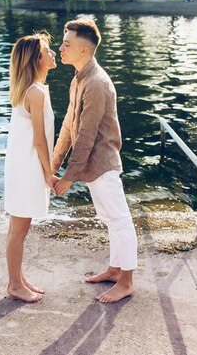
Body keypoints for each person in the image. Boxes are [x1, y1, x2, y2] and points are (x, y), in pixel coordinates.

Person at [53, 19, 138, 304]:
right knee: (109, 219)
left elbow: (87, 136)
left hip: (102, 164)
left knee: (119, 220)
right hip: (91, 167)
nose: (60, 47)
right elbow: (69, 125)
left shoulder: (97, 83)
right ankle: (115, 269)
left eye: (66, 43)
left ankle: (126, 281)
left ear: (84, 49)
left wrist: (67, 177)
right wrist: (54, 164)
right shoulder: (79, 78)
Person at [4, 32, 58, 303]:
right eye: (47, 50)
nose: (53, 53)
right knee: (19, 229)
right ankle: (14, 285)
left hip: (20, 165)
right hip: (26, 168)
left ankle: (19, 279)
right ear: (37, 59)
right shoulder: (35, 92)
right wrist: (49, 174)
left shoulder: (30, 89)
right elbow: (39, 139)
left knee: (18, 228)